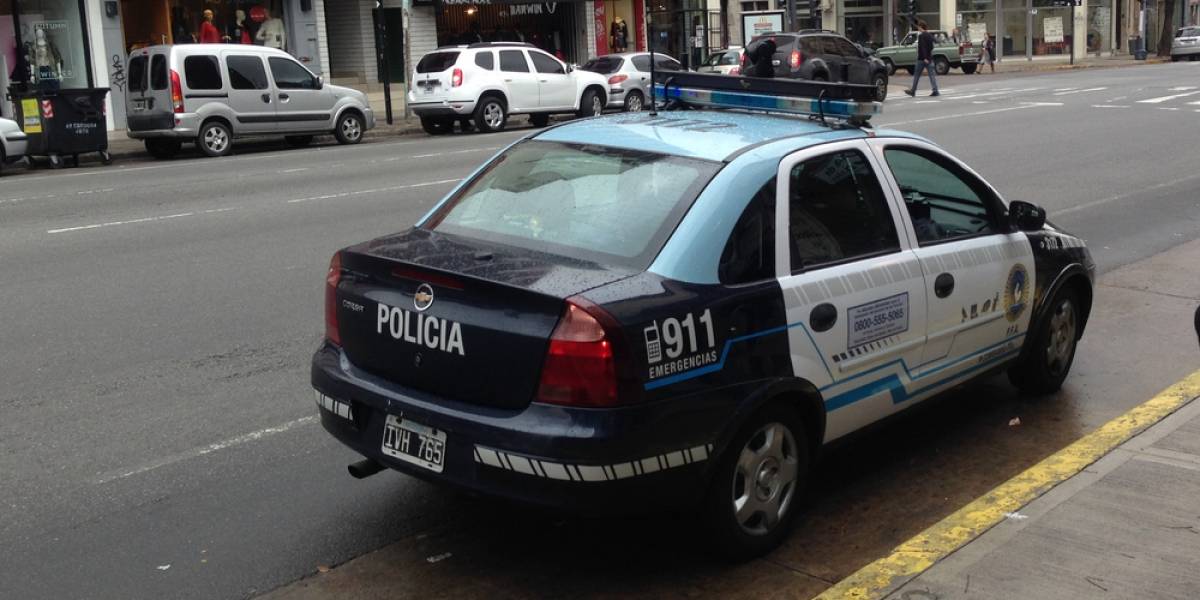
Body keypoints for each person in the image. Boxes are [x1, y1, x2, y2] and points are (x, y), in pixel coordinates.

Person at [904, 21, 939, 97]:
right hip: (929, 58)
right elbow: (933, 45)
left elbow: (922, 47)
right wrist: (928, 56)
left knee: (917, 75)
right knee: (932, 75)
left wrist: (924, 57)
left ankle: (913, 91)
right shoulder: (929, 35)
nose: (918, 28)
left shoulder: (921, 36)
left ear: (920, 27)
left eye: (918, 26)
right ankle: (935, 90)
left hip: (922, 59)